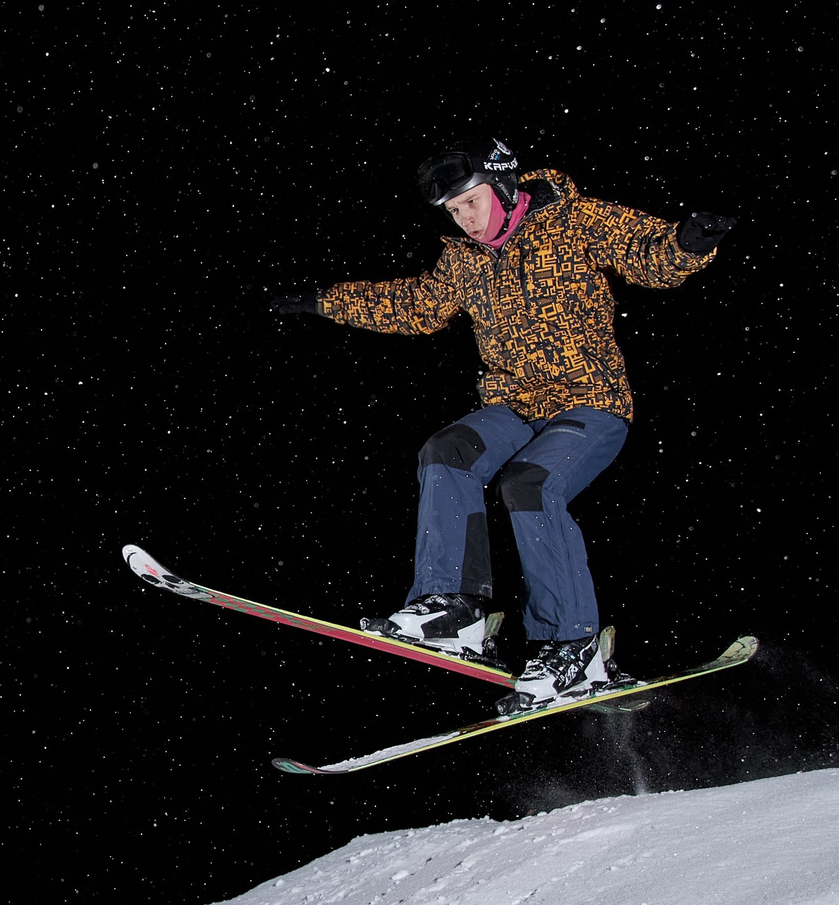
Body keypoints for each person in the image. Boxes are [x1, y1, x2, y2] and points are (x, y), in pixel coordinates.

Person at [272, 138, 734, 712]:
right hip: (516, 405)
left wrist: (687, 244)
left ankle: (574, 646)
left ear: (504, 186)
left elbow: (646, 251)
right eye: (454, 212)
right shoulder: (464, 260)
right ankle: (452, 610)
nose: (465, 220)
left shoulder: (572, 220)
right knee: (447, 451)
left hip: (590, 402)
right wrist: (325, 302)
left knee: (528, 484)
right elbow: (416, 305)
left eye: (472, 203)